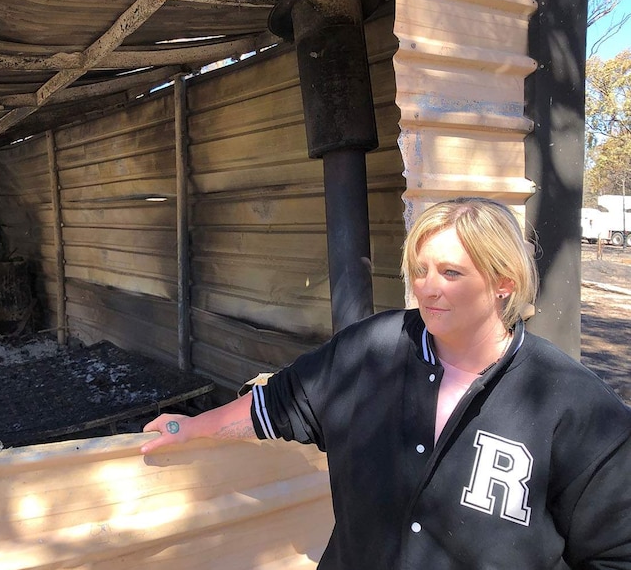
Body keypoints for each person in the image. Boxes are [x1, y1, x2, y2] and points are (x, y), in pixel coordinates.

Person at [141, 197, 631, 569]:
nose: (427, 287)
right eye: (420, 270)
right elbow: (281, 403)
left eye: (451, 272)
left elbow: (614, 550)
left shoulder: (578, 407)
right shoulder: (370, 349)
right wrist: (191, 429)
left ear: (504, 281)